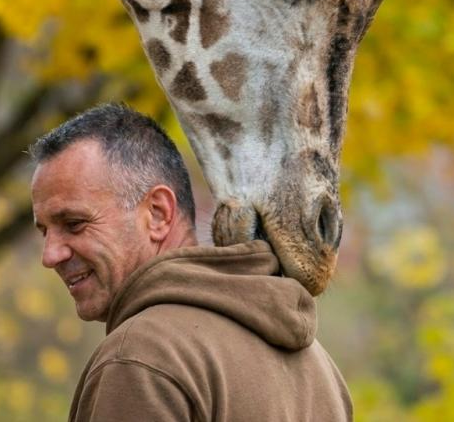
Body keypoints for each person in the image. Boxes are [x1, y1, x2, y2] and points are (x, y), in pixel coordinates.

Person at [30, 103, 353, 421]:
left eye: (74, 224)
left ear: (157, 213)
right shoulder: (320, 368)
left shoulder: (141, 356)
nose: (51, 255)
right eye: (44, 232)